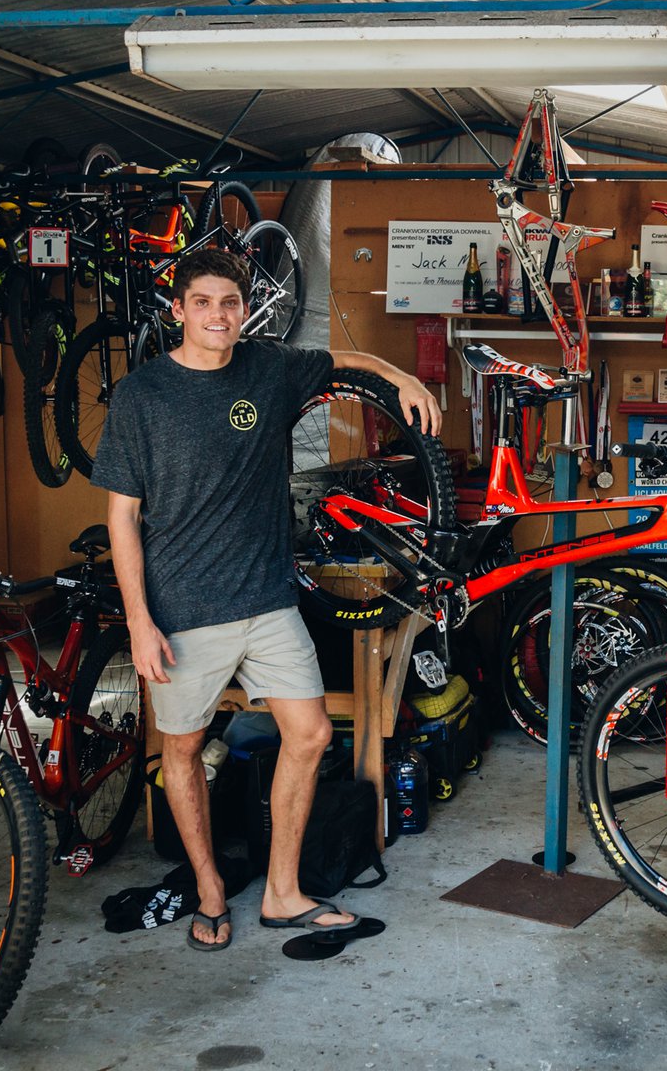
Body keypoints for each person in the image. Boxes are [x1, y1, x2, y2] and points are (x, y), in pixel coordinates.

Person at [94, 247, 440, 951]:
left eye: (230, 302)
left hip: (269, 598)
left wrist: (400, 374)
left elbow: (346, 359)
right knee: (183, 750)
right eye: (203, 303)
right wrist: (138, 621)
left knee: (310, 736)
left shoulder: (268, 370)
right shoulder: (143, 396)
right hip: (185, 607)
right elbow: (121, 516)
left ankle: (282, 893)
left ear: (245, 310)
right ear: (178, 312)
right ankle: (212, 891)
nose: (218, 315)